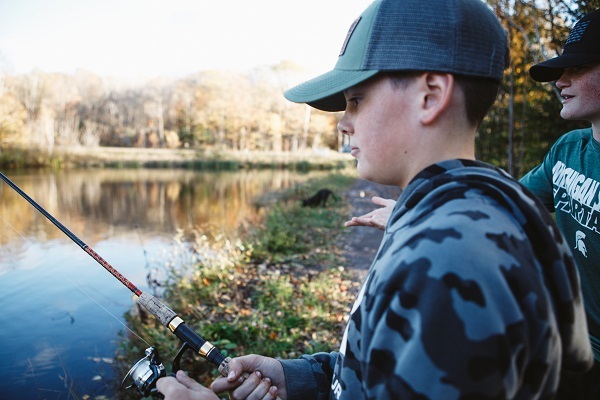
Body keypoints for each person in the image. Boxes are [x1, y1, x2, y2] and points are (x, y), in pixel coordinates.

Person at [156, 0, 594, 398]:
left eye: (356, 100)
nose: (344, 123)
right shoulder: (486, 207)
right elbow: (386, 368)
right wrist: (302, 378)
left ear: (431, 96)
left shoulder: (447, 262)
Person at [346, 8, 600, 399]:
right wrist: (423, 214)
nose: (560, 81)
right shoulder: (568, 151)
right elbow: (504, 206)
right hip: (578, 348)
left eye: (579, 67)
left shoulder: (447, 268)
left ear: (432, 96)